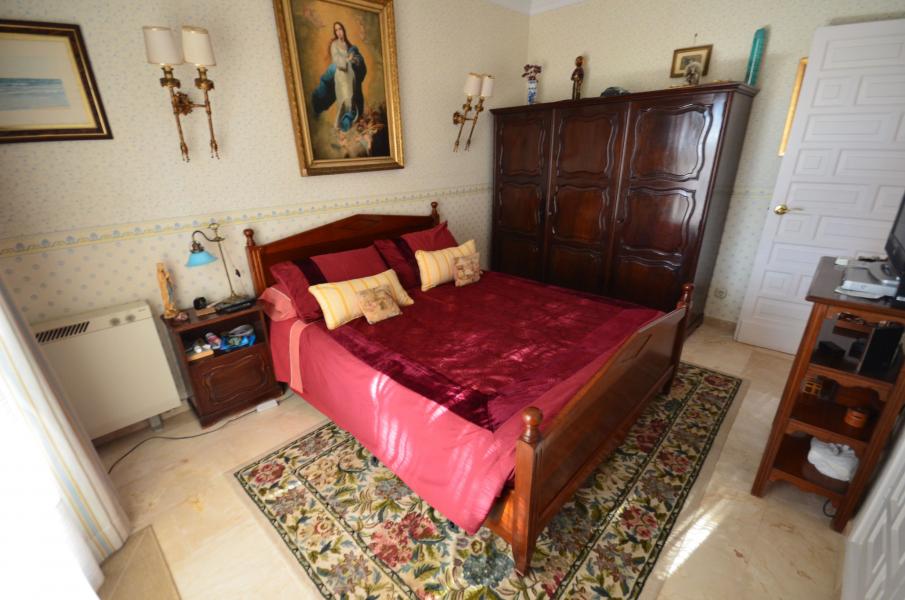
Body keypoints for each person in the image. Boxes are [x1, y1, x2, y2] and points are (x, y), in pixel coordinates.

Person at [312, 21, 367, 132]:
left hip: (350, 75)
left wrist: (355, 60)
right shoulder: (334, 45)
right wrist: (348, 60)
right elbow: (337, 61)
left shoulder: (349, 46)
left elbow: (356, 60)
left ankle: (348, 122)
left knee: (351, 98)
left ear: (343, 30)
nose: (338, 32)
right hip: (340, 73)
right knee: (344, 98)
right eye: (336, 30)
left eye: (340, 29)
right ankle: (342, 123)